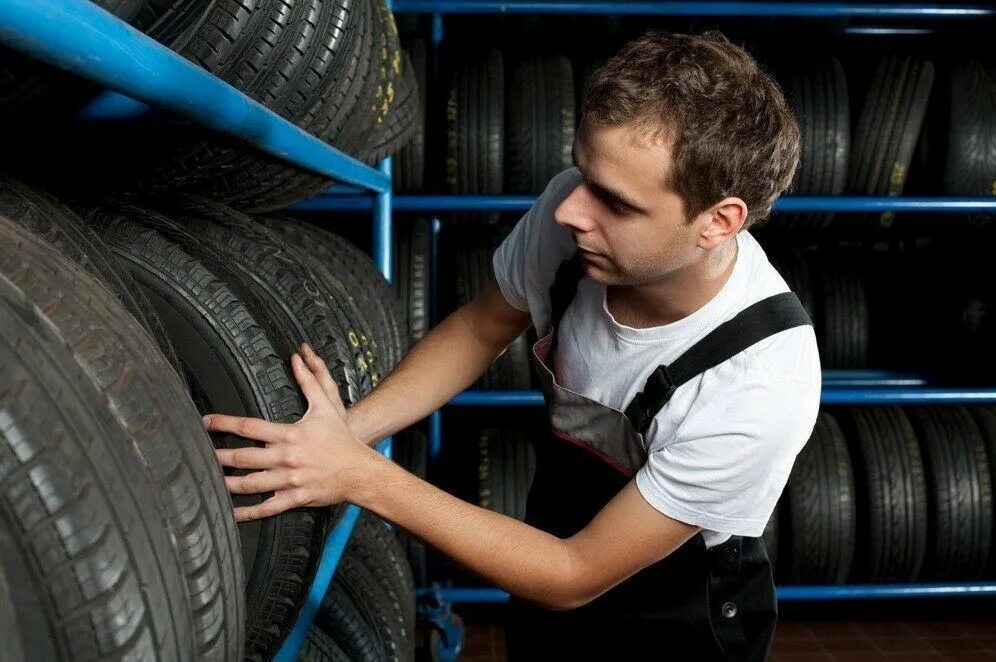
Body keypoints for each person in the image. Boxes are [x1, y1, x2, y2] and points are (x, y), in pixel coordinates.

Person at [203, 30, 820, 660]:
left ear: (719, 222)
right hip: (551, 550)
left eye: (614, 201)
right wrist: (343, 433)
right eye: (582, 172)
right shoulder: (576, 224)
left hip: (676, 614)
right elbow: (481, 328)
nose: (571, 210)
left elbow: (575, 572)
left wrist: (359, 476)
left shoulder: (761, 381)